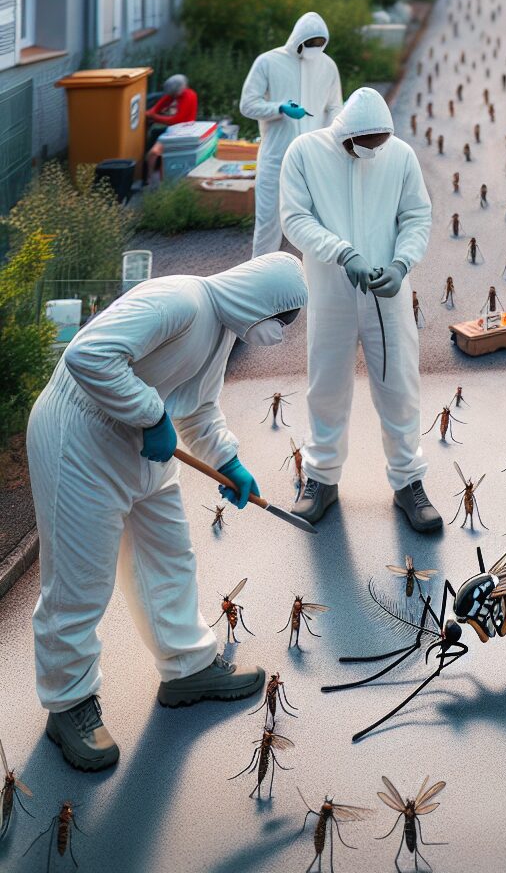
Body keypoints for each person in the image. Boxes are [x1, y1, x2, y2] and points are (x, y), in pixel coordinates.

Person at [27, 253, 307, 772]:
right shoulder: (180, 299)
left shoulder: (222, 329)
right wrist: (152, 414)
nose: (280, 332)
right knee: (79, 584)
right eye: (281, 320)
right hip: (80, 442)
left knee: (170, 558)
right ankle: (67, 705)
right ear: (260, 299)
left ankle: (188, 667)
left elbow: (198, 405)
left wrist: (228, 460)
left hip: (141, 447)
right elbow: (88, 354)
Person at [280, 87, 442, 533]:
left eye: (380, 143)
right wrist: (341, 252)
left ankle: (409, 482)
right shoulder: (305, 153)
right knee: (326, 384)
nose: (374, 152)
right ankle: (321, 478)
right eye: (367, 144)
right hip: (331, 289)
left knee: (399, 385)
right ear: (347, 134)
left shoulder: (400, 156)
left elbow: (416, 216)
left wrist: (402, 262)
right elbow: (294, 218)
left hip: (387, 292)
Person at [241, 12, 343, 258]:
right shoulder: (268, 62)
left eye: (320, 44)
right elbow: (247, 104)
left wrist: (328, 134)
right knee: (268, 224)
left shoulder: (327, 65)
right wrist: (279, 108)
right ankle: (259, 283)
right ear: (298, 39)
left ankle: (313, 284)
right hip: (276, 157)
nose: (314, 49)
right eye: (310, 43)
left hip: (313, 157)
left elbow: (335, 106)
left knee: (318, 224)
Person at [145, 73, 198, 142]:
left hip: (184, 130)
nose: (172, 95)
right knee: (155, 131)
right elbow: (164, 102)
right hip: (177, 127)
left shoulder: (188, 97)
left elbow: (176, 121)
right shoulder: (178, 92)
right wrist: (151, 112)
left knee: (155, 133)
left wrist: (154, 117)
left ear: (177, 90)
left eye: (173, 94)